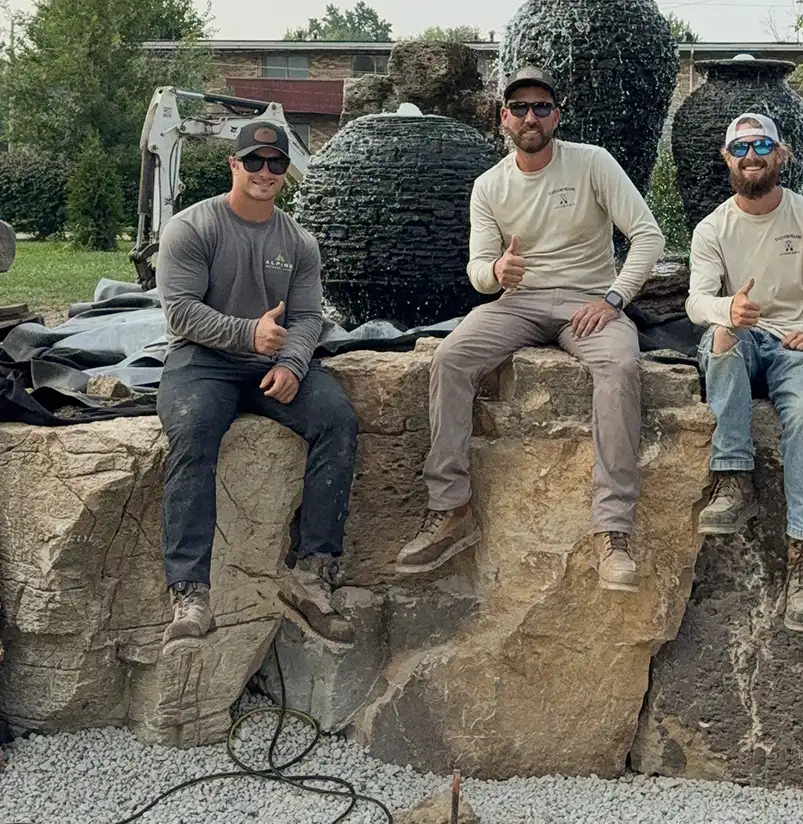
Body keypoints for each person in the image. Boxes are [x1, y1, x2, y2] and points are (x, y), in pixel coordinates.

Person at [395, 67, 666, 591]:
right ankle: (449, 509)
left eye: (542, 107)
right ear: (504, 119)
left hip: (590, 301)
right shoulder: (489, 185)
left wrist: (614, 298)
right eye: (519, 108)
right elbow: (477, 270)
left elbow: (648, 235)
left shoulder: (592, 163)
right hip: (519, 302)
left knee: (619, 368)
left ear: (557, 115)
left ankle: (612, 531)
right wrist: (497, 272)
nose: (530, 117)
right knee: (450, 358)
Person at [156, 120, 359, 651]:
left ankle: (312, 574)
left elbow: (310, 315)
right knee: (193, 430)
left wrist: (292, 363)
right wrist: (250, 333)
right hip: (204, 361)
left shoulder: (299, 241)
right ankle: (190, 592)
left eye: (275, 164)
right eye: (254, 162)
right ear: (234, 166)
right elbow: (178, 312)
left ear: (285, 173)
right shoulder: (191, 229)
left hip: (271, 363)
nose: (265, 172)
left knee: (336, 420)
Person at [684, 113, 803, 633]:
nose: (752, 155)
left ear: (782, 154)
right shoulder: (713, 228)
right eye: (741, 147)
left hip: (797, 342)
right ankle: (733, 478)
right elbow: (696, 300)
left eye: (763, 145)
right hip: (743, 333)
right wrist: (728, 311)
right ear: (728, 158)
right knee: (721, 344)